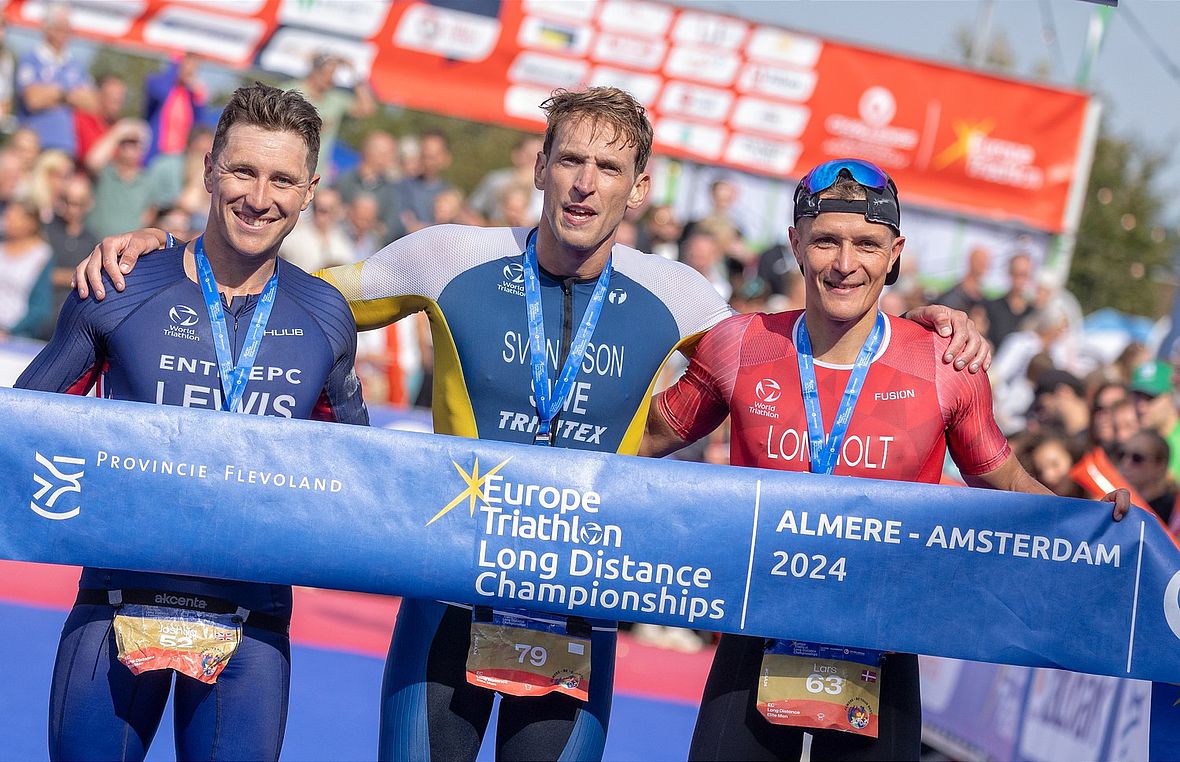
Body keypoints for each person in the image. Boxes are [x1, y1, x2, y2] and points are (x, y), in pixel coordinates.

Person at [75, 89, 991, 761]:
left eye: (610, 169)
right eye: (571, 160)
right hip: (446, 598)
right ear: (541, 166)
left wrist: (932, 328)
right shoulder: (447, 258)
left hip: (577, 615)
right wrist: (167, 252)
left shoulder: (682, 296)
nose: (586, 184)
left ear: (637, 189)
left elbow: (805, 348)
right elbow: (298, 298)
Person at [640, 158, 1128, 761]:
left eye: (867, 244)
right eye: (826, 241)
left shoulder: (945, 365)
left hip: (882, 646)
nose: (846, 264)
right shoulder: (739, 344)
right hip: (754, 636)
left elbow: (1000, 477)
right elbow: (646, 436)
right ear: (795, 243)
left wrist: (1094, 529)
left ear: (894, 253)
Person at [20, 83, 368, 760]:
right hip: (115, 608)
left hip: (252, 626)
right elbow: (25, 429)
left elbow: (355, 473)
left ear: (310, 190)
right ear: (208, 167)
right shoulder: (120, 283)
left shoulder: (325, 316)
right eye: (242, 171)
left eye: (282, 180)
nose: (259, 197)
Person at [15, 4, 96, 157]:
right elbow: (33, 99)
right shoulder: (31, 59)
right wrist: (69, 95)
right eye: (60, 28)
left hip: (67, 147)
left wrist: (53, 93)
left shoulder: (76, 64)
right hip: (35, 147)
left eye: (68, 29)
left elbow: (91, 103)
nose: (64, 34)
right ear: (47, 28)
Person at [284, 51, 376, 176]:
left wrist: (355, 73)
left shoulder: (335, 99)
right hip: (286, 170)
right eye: (328, 73)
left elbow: (367, 108)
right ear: (315, 71)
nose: (331, 79)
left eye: (333, 74)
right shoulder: (289, 92)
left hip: (316, 175)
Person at [143, 52, 207, 163]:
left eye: (194, 67)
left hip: (179, 157)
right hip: (155, 153)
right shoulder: (164, 85)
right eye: (186, 65)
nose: (189, 70)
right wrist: (174, 73)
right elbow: (154, 89)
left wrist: (199, 98)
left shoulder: (191, 95)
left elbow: (200, 123)